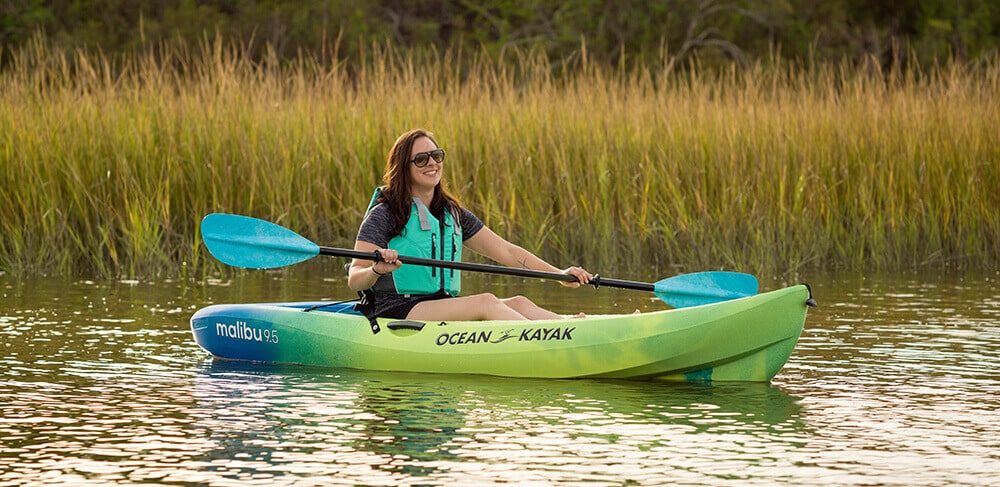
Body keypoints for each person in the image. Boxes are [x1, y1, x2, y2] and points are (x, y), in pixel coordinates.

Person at [347, 128, 593, 321]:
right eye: (421, 159)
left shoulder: (453, 214)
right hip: (396, 309)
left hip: (439, 305)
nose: (432, 163)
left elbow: (507, 251)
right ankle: (552, 340)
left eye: (437, 156)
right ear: (403, 167)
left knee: (519, 302)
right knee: (485, 301)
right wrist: (376, 269)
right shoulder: (385, 214)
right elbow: (355, 277)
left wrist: (557, 275)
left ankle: (570, 326)